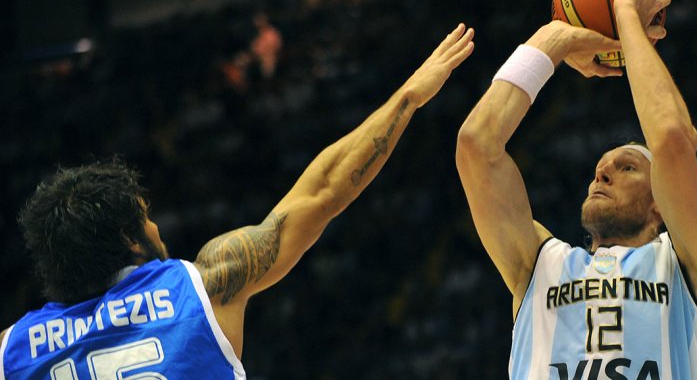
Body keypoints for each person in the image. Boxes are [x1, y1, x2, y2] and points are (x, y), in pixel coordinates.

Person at [0, 24, 474, 379]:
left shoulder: (13, 349)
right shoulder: (204, 286)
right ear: (130, 239)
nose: (157, 227)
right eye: (146, 217)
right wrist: (408, 97)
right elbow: (324, 190)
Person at [455, 0, 697, 380]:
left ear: (661, 202)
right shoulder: (539, 264)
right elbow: (477, 146)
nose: (601, 174)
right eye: (601, 168)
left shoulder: (688, 268)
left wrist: (626, 18)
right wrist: (555, 39)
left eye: (627, 168)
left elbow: (673, 140)